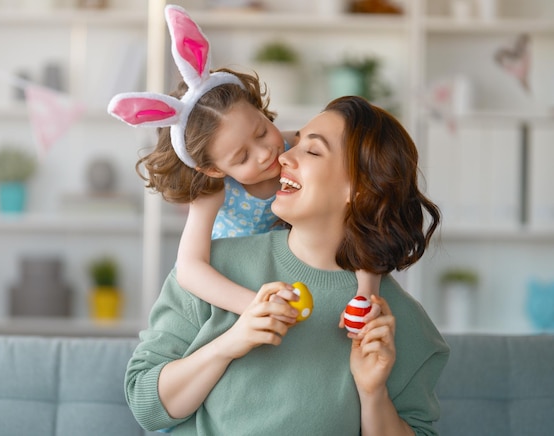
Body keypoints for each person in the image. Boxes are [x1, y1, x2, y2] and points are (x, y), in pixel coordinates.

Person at [124, 95, 450, 435]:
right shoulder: (212, 270)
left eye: (311, 150)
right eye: (296, 142)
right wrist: (229, 344)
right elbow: (146, 406)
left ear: (360, 188)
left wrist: (373, 393)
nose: (282, 156)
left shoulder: (396, 324)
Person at [108, 4, 381, 322]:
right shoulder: (212, 188)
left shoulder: (299, 147)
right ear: (212, 168)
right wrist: (254, 305)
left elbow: (357, 206)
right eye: (242, 157)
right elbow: (190, 269)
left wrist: (365, 294)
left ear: (261, 110)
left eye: (262, 131)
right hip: (234, 287)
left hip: (294, 272)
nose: (265, 153)